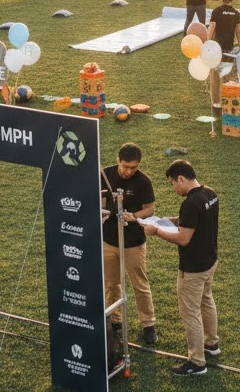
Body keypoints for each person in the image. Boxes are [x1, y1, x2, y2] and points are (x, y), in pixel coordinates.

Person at [141, 160, 219, 378]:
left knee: (190, 313)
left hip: (192, 269)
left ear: (181, 179)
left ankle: (197, 362)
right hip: (210, 261)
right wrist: (166, 220)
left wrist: (156, 231)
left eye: (173, 183)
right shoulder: (210, 194)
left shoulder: (190, 203)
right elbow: (191, 221)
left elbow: (184, 238)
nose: (174, 188)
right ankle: (212, 344)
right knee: (206, 300)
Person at [101, 143, 157, 345]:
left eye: (134, 167)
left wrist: (134, 216)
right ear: (118, 160)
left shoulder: (143, 181)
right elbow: (99, 199)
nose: (129, 171)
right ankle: (115, 321)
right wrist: (101, 209)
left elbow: (149, 209)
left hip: (133, 243)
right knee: (111, 284)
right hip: (108, 241)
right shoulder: (105, 175)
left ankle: (148, 325)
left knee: (140, 285)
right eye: (125, 166)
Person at [207, 0, 240, 110]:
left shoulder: (217, 11)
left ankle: (216, 102)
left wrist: (207, 42)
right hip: (229, 48)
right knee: (227, 74)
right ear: (232, 0)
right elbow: (238, 31)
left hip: (217, 48)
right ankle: (227, 100)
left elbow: (212, 27)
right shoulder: (236, 13)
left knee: (215, 76)